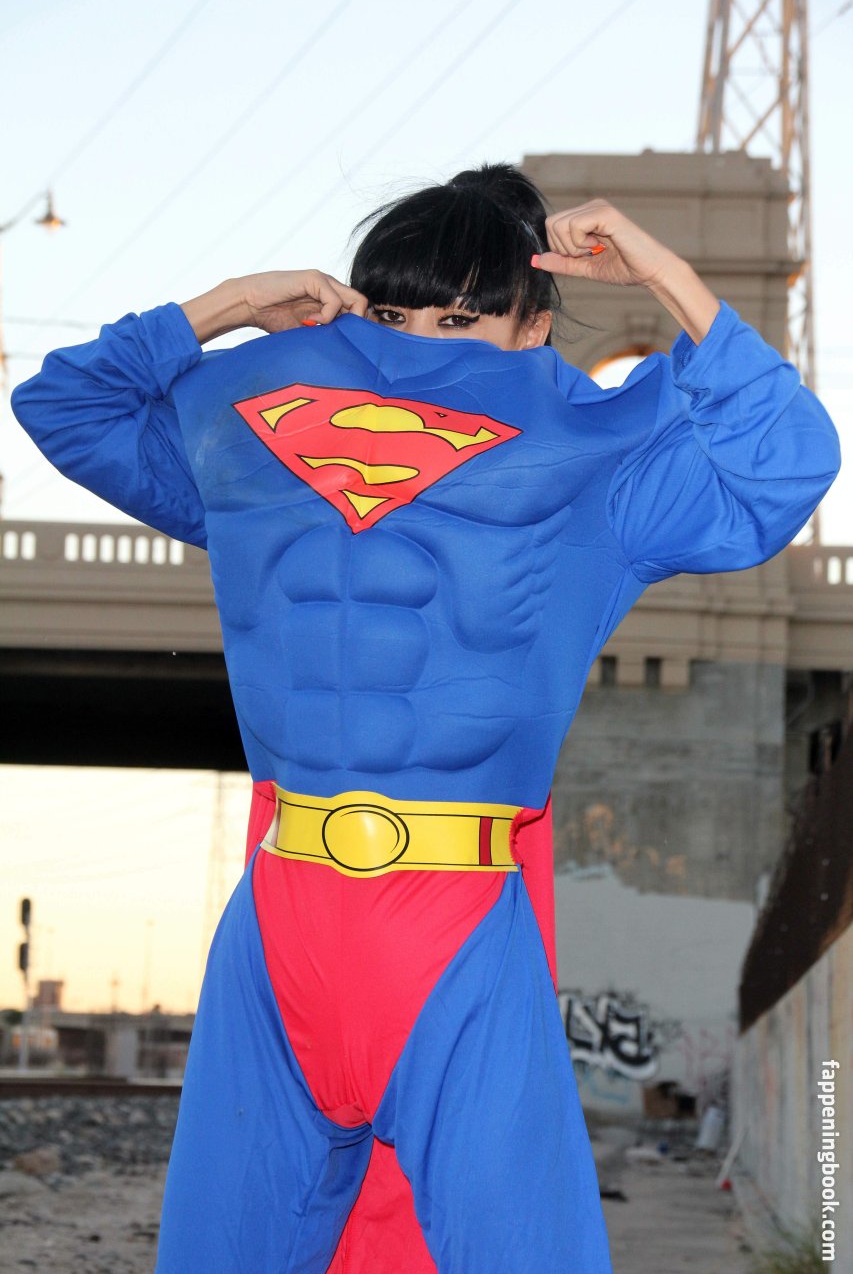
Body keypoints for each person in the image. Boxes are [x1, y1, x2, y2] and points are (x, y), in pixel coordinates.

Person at [12, 164, 840, 1274]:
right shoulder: (258, 439)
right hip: (280, 923)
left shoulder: (595, 472)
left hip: (452, 925)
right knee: (222, 1249)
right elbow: (66, 404)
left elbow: (785, 463)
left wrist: (664, 276)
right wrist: (230, 306)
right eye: (391, 315)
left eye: (459, 319)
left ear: (533, 327)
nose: (416, 348)